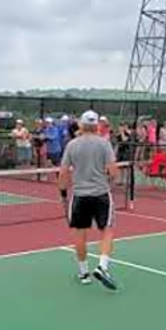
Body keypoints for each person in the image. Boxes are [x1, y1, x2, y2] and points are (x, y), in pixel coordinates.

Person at [58, 109, 119, 290]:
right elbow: (114, 172)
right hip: (101, 195)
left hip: (79, 196)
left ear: (82, 125)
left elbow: (62, 173)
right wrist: (108, 180)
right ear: (96, 125)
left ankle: (84, 273)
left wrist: (63, 194)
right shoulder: (104, 144)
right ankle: (102, 266)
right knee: (107, 231)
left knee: (80, 234)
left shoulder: (72, 145)